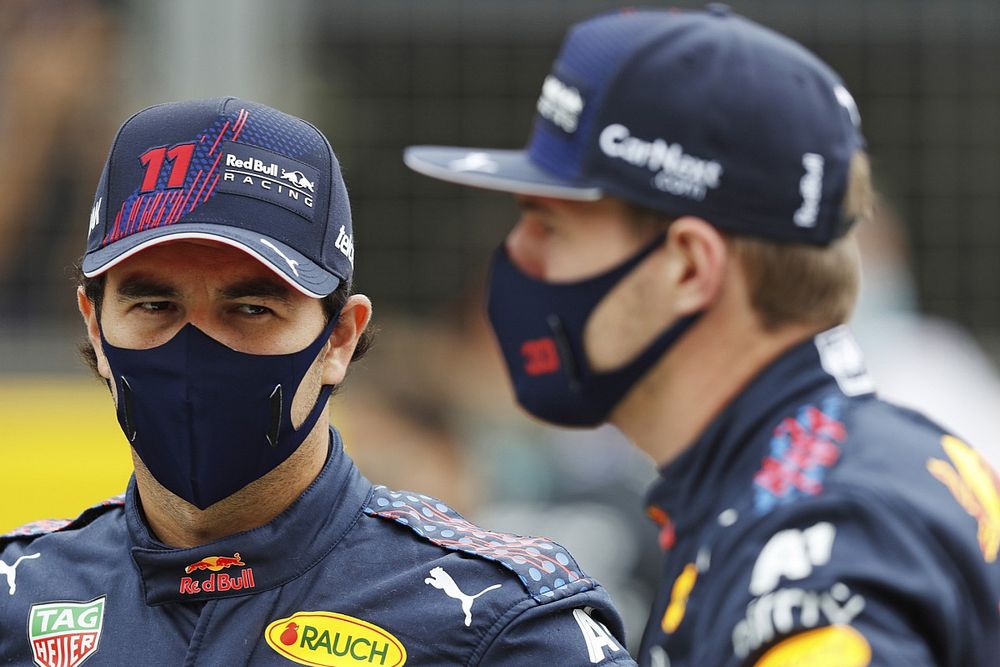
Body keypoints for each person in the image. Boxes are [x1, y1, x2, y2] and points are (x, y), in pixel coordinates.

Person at [404, 6, 1000, 666]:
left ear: (689, 266)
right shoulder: (792, 480)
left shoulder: (818, 537)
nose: (517, 256)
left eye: (550, 226)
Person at [0, 97, 637, 666]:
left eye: (251, 309)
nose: (194, 349)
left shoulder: (496, 623)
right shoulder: (17, 597)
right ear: (95, 324)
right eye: (154, 306)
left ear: (340, 338)